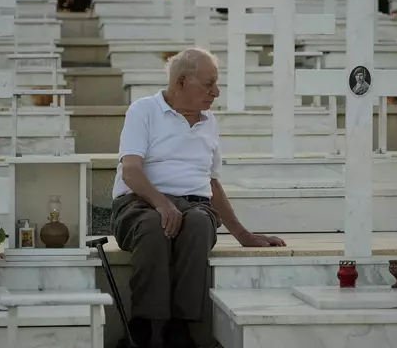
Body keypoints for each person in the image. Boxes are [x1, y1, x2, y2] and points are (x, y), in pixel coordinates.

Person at [111, 48, 286, 348]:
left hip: (195, 204)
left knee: (199, 226)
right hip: (140, 203)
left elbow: (212, 183)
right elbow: (131, 171)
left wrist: (243, 235)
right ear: (180, 82)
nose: (215, 92)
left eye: (216, 84)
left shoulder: (209, 123)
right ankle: (142, 327)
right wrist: (162, 203)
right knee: (154, 226)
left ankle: (179, 328)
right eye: (209, 84)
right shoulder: (144, 110)